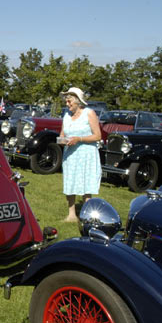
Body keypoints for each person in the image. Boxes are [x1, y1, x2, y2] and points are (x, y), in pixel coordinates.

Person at [59, 87, 102, 222]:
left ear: (78, 102)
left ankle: (87, 214)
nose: (67, 104)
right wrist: (63, 141)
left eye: (69, 101)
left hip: (86, 154)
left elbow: (98, 136)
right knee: (70, 182)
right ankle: (71, 214)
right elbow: (61, 135)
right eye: (66, 101)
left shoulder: (89, 113)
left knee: (86, 184)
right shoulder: (66, 116)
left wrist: (79, 139)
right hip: (71, 155)